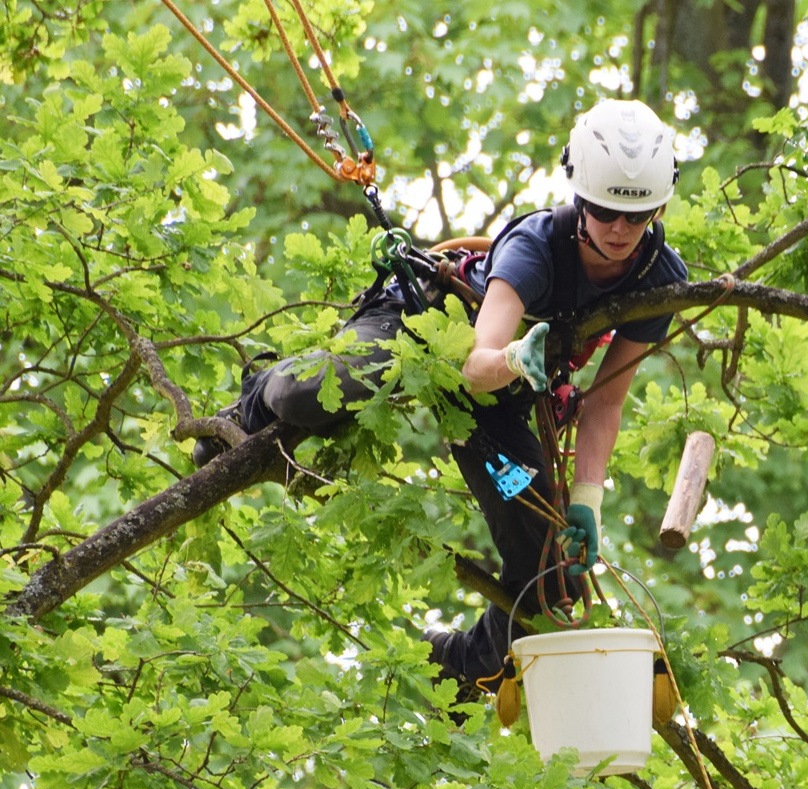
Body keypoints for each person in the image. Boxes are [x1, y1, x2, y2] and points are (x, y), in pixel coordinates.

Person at [193, 98, 690, 693]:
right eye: (605, 212)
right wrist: (513, 357)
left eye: (635, 219)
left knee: (554, 575)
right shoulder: (536, 248)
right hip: (425, 328)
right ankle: (252, 400)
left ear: (657, 209)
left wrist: (586, 499)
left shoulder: (658, 278)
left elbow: (605, 401)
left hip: (499, 400)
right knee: (311, 398)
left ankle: (457, 669)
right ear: (580, 196)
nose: (619, 231)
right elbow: (474, 363)